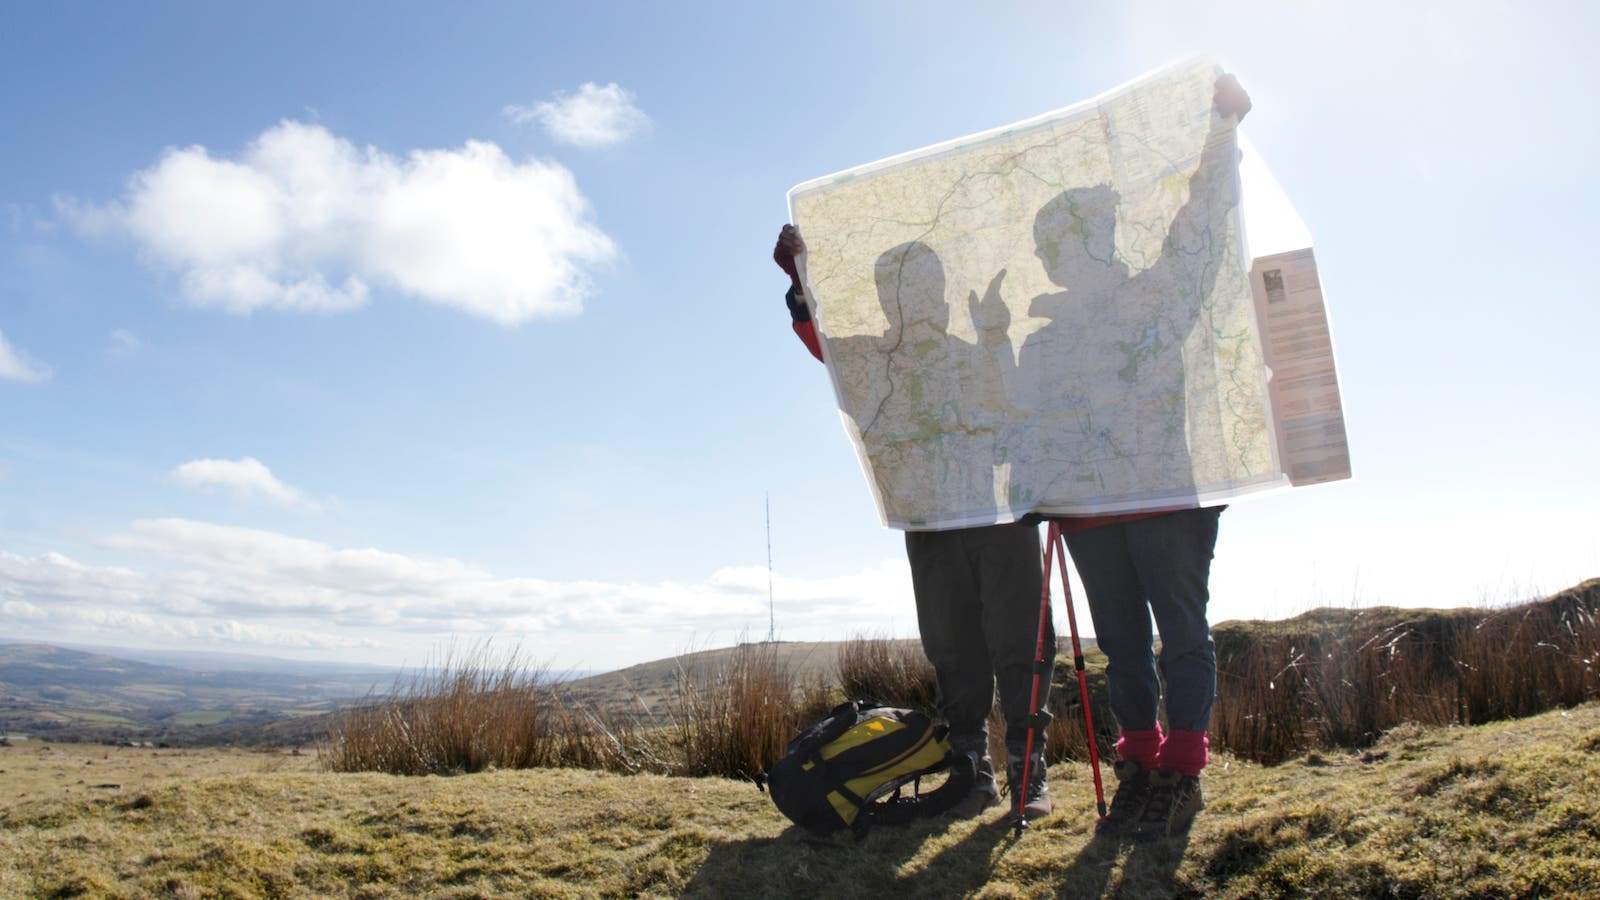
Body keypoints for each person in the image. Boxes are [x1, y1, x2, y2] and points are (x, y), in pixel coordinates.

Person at [774, 225, 1053, 822]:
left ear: (943, 292)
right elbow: (822, 342)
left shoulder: (973, 352)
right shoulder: (875, 362)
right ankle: (973, 775)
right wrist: (800, 282)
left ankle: (1030, 775)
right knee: (954, 649)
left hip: (1000, 518)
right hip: (929, 525)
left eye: (926, 286)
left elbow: (1012, 422)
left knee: (1020, 644)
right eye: (899, 289)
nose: (914, 299)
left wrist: (996, 335)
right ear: (884, 300)